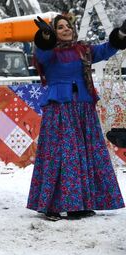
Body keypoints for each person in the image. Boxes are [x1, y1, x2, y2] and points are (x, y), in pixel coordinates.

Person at [27, 14, 126, 220]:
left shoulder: (84, 51)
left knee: (85, 154)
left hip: (83, 108)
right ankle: (53, 205)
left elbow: (107, 49)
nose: (65, 29)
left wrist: (122, 34)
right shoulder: (49, 52)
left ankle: (80, 204)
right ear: (54, 31)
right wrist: (45, 36)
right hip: (60, 109)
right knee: (62, 155)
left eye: (68, 26)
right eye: (60, 27)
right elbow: (42, 55)